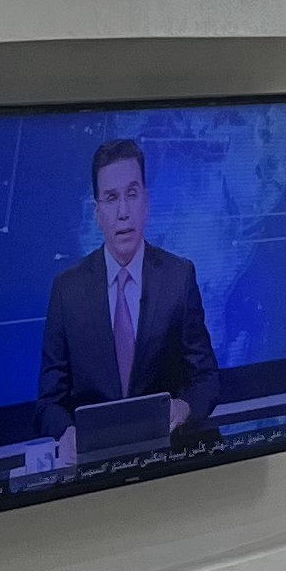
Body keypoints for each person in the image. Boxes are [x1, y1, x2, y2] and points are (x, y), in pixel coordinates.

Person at [37, 136, 221, 463]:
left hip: (168, 463)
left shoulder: (178, 277)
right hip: (94, 470)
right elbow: (49, 402)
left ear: (145, 203)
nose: (123, 212)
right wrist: (66, 432)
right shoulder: (67, 290)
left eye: (131, 194)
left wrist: (184, 407)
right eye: (111, 198)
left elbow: (206, 378)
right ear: (97, 213)